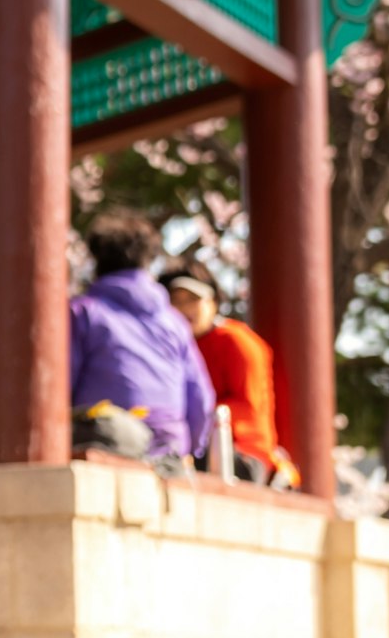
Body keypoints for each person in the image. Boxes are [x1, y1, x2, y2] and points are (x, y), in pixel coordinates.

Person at [67, 207, 217, 467]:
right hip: (169, 446)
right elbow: (201, 399)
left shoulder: (83, 313)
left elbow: (61, 384)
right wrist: (189, 448)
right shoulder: (173, 322)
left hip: (108, 439)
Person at [162, 264, 300, 487]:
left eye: (193, 300)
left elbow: (247, 406)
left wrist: (194, 417)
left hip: (243, 451)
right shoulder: (175, 347)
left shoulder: (237, 341)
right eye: (176, 302)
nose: (184, 309)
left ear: (213, 302)